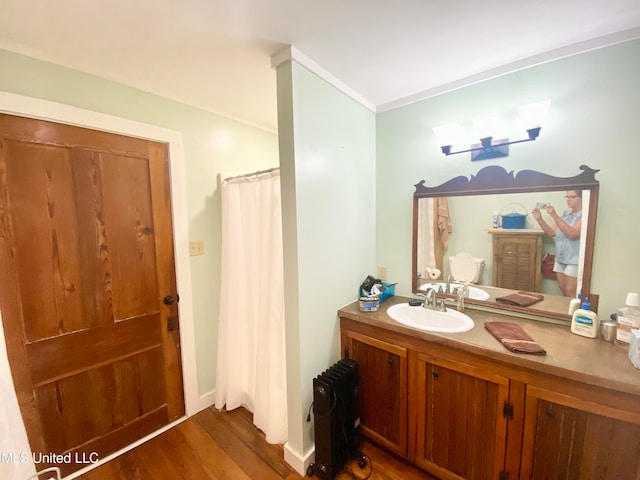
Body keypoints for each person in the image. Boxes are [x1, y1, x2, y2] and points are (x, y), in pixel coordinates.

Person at [532, 191, 582, 297]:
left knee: (571, 291)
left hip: (574, 259)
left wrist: (555, 216)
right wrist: (539, 219)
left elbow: (573, 234)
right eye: (567, 197)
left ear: (582, 198)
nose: (568, 200)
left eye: (572, 197)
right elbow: (551, 232)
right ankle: (566, 313)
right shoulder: (566, 214)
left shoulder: (585, 215)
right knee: (562, 288)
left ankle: (573, 313)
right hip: (561, 257)